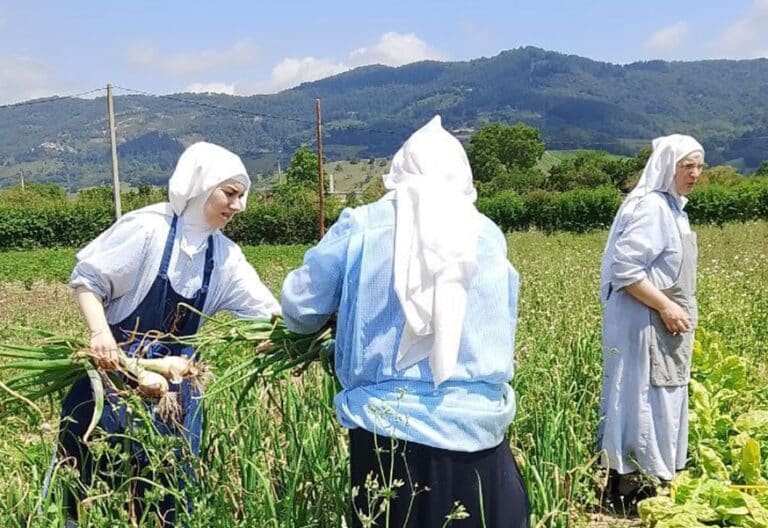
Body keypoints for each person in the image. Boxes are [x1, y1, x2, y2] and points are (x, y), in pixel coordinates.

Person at [281, 116, 529, 527]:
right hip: (480, 429)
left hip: (387, 433)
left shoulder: (362, 225)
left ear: (398, 172)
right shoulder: (486, 234)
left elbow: (300, 310)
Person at [58, 142, 280, 526]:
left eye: (242, 196)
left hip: (175, 395)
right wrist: (99, 334)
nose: (238, 206)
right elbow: (88, 280)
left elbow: (267, 312)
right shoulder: (148, 229)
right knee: (95, 493)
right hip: (113, 379)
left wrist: (288, 335)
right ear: (201, 185)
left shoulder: (224, 256)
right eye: (230, 193)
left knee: (169, 499)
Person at [597, 134, 705, 508]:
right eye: (687, 165)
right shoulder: (651, 208)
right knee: (640, 399)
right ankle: (628, 484)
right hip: (644, 325)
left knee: (655, 397)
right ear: (666, 166)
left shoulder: (673, 208)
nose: (695, 173)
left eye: (699, 166)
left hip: (660, 324)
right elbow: (625, 271)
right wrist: (666, 306)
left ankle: (647, 478)